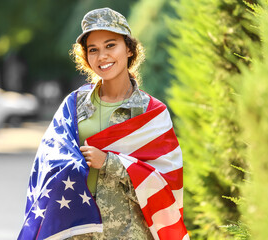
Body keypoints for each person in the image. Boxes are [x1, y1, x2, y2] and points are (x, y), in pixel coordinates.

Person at [18, 8, 188, 240]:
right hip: (76, 230)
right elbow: (48, 159)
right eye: (93, 50)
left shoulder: (152, 112)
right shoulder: (74, 104)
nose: (102, 56)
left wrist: (108, 162)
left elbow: (165, 182)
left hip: (128, 232)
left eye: (110, 45)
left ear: (129, 48)